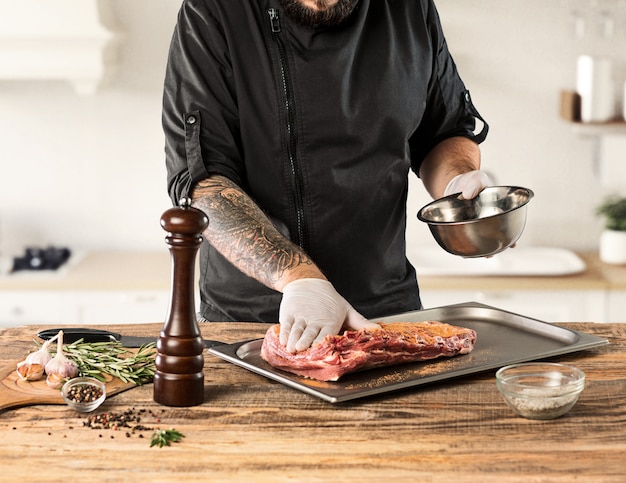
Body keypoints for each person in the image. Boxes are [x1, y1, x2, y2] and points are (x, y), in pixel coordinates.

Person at [162, 0, 490, 354]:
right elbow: (203, 181)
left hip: (387, 312)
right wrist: (301, 281)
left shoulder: (410, 9)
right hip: (252, 320)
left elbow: (442, 131)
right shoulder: (214, 10)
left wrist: (458, 181)